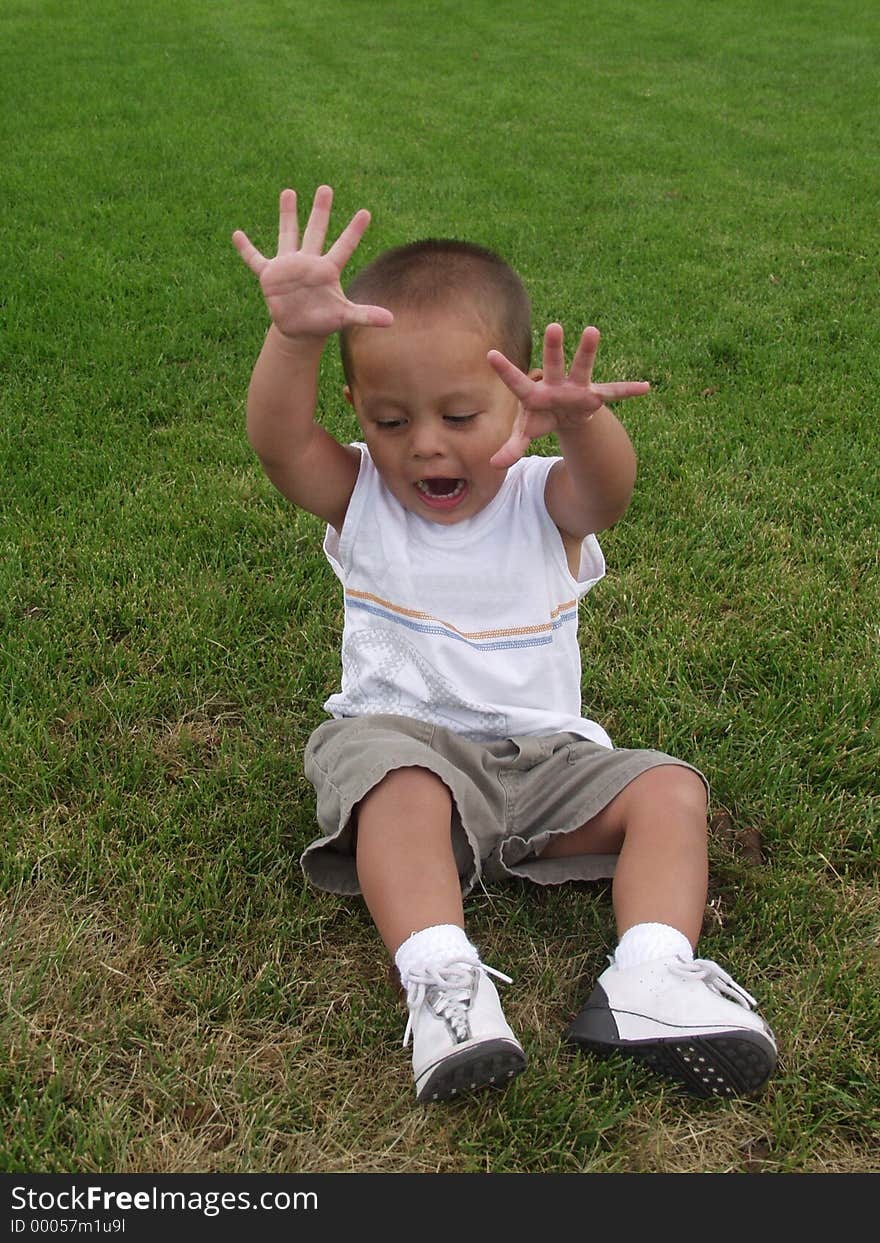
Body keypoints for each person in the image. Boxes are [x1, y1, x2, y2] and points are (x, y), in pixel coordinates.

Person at [232, 185, 777, 1104]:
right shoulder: (363, 496)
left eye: (459, 416)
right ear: (359, 411)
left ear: (517, 400)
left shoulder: (541, 500)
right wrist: (292, 336)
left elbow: (608, 495)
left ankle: (650, 974)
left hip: (546, 762)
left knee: (671, 790)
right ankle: (445, 978)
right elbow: (282, 445)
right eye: (390, 420)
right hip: (404, 743)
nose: (424, 448)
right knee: (397, 786)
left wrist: (584, 421)